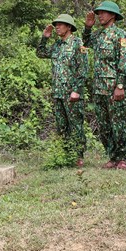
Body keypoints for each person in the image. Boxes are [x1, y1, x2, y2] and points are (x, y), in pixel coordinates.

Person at [83, 1, 126, 169]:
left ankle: (122, 157)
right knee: (104, 125)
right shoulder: (97, 35)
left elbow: (124, 61)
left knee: (118, 123)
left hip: (113, 87)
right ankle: (112, 156)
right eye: (99, 13)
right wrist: (88, 27)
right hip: (99, 87)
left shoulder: (120, 34)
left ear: (113, 15)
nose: (100, 15)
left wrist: (120, 86)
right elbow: (86, 42)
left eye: (103, 13)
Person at [36, 14, 89, 167]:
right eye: (56, 24)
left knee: (75, 125)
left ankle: (78, 155)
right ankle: (66, 154)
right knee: (62, 125)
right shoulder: (57, 45)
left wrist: (77, 90)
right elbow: (40, 53)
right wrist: (45, 38)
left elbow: (83, 69)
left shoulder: (78, 43)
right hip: (58, 92)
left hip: (71, 92)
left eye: (61, 24)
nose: (57, 27)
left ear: (69, 27)